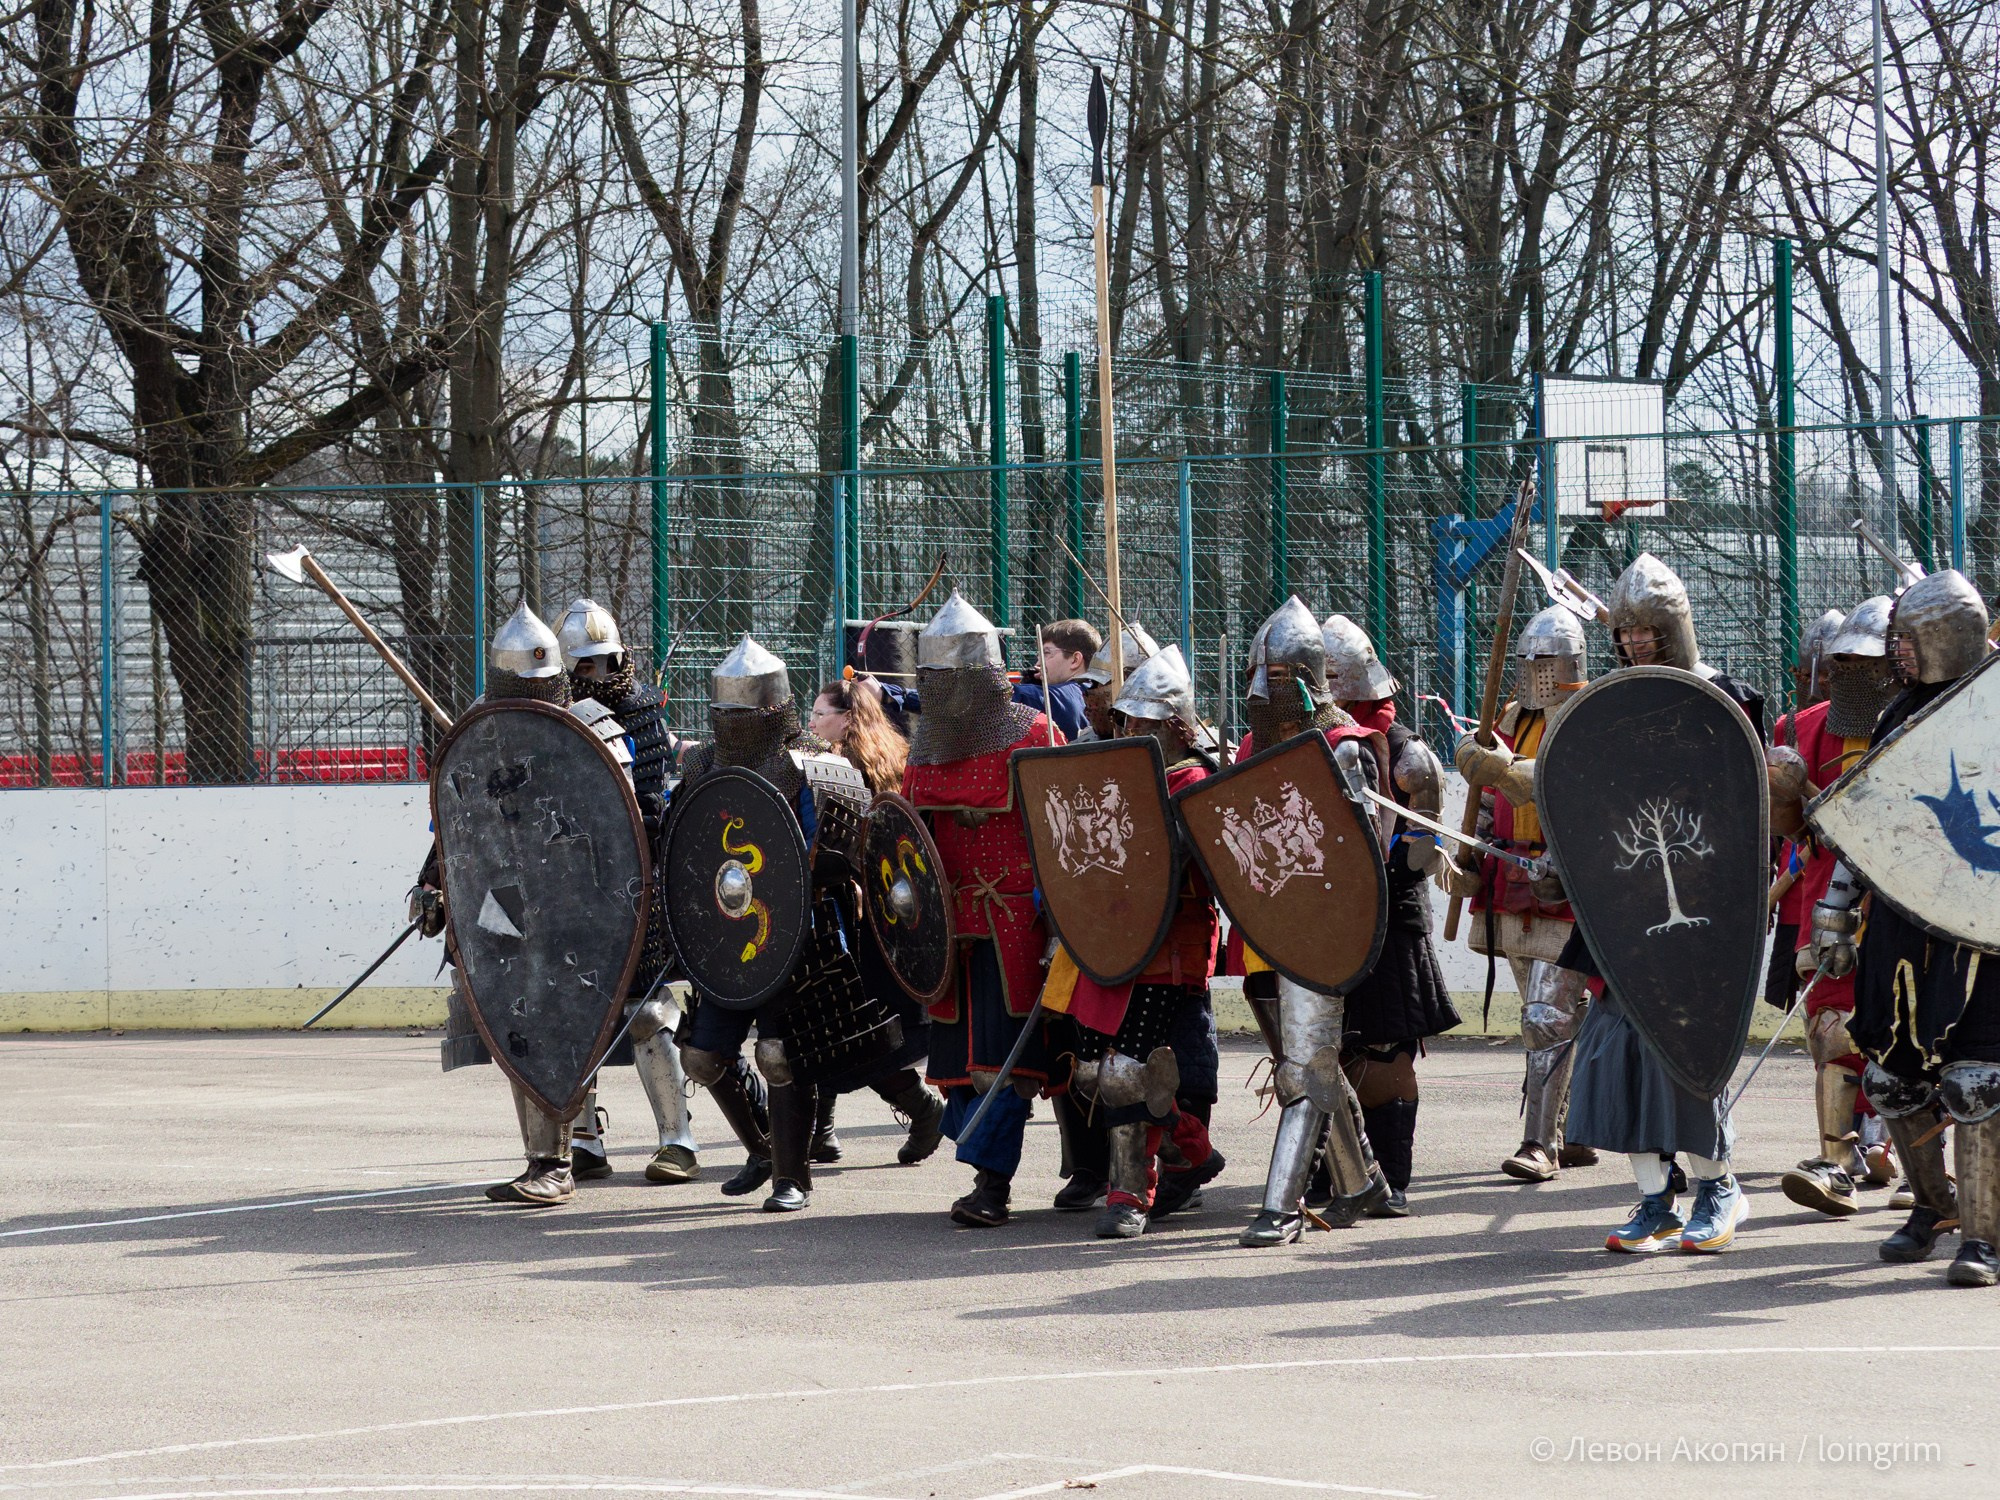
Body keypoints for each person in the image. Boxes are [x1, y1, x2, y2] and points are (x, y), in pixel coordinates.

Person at [1554, 554, 1765, 1254]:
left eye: (1650, 630)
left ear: (1676, 627)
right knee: (1614, 1059)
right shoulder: (1603, 710)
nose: (1637, 642)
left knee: (1685, 1055)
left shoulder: (1725, 699)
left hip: (1699, 915)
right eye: (1628, 632)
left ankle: (1720, 1189)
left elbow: (1746, 811)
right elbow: (1591, 807)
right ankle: (1655, 1202)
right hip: (1625, 910)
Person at [418, 601, 651, 1207]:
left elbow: (618, 830)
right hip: (506, 909)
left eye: (536, 686)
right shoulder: (477, 735)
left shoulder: (595, 732)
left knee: (567, 1024)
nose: (529, 695)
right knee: (517, 1022)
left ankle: (566, 1158)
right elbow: (458, 827)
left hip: (581, 908)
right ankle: (547, 1160)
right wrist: (435, 883)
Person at [1812, 570, 1999, 1284]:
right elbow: (1870, 823)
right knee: (1892, 1082)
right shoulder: (1896, 717)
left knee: (1978, 1083)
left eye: (1913, 640)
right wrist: (1832, 912)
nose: (1900, 654)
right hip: (1898, 927)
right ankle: (1933, 1205)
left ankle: (1984, 1238)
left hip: (1979, 936)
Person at [1044, 645, 1227, 1237]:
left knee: (1124, 1071)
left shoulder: (1194, 778)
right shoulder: (1124, 776)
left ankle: (1130, 1196)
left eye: (1142, 722)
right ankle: (1195, 1151)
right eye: (1125, 720)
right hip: (1116, 942)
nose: (1129, 730)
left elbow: (1174, 865)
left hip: (1170, 946)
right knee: (1103, 1072)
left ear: (1173, 725)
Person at [1229, 597, 1394, 1247]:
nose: (1263, 691)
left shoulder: (1345, 748)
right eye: (1258, 675)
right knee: (1314, 1063)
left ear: (1303, 680)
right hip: (1265, 932)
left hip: (1323, 930)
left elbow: (1358, 858)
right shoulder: (1247, 748)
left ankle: (1282, 1208)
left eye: (1275, 676)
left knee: (1302, 1071)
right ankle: (1361, 1183)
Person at [902, 591, 1063, 1227]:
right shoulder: (927, 748)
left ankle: (994, 1186)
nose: (939, 690)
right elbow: (908, 840)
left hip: (1016, 924)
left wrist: (1059, 920)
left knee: (1008, 1060)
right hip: (950, 929)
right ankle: (985, 1163)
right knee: (956, 1068)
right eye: (930, 679)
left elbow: (1063, 833)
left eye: (949, 677)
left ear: (984, 676)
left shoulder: (1035, 732)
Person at [671, 635, 827, 1212]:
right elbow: (685, 847)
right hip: (723, 932)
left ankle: (794, 1177)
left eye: (745, 713)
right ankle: (763, 1150)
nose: (735, 724)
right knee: (703, 1056)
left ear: (773, 709)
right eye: (726, 714)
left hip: (790, 935)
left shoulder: (807, 761)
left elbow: (823, 848)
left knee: (781, 1054)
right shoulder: (702, 765)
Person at [553, 598, 701, 1187]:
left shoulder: (640, 711)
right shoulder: (555, 716)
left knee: (647, 1015)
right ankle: (584, 1140)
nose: (599, 675)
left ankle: (678, 1140)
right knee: (576, 1016)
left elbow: (652, 808)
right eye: (585, 668)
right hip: (573, 889)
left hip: (636, 885)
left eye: (605, 661)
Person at [1449, 606, 1597, 1183]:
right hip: (1512, 876)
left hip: (1570, 881)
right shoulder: (1512, 716)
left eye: (1544, 659)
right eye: (1525, 659)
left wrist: (1505, 768)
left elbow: (1568, 781)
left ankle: (1539, 1143)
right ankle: (1574, 1129)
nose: (1533, 669)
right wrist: (1471, 857)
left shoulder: (1589, 715)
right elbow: (1489, 802)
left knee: (1543, 1017)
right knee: (1561, 1012)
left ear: (1567, 661)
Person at [1322, 615, 1460, 1216]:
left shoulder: (1407, 754)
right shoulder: (1311, 742)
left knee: (1387, 1053)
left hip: (1389, 915)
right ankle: (1341, 1172)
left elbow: (1425, 849)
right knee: (1332, 1050)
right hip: (1323, 918)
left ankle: (1392, 1176)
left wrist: (1389, 862)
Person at [1769, 598, 1901, 1217]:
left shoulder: (1921, 722)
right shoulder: (1805, 728)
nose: (1855, 670)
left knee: (1917, 1040)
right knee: (1832, 1030)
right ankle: (1837, 1161)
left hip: (1905, 905)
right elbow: (1791, 830)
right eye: (1844, 660)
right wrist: (1783, 791)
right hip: (1828, 901)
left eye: (1869, 661)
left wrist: (1812, 794)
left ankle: (1919, 1171)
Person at [797, 678, 948, 1168]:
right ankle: (821, 1130)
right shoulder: (893, 753)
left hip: (862, 917)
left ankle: (922, 1109)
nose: (813, 722)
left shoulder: (844, 769)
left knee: (851, 1028)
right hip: (862, 913)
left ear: (846, 718)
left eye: (821, 714)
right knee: (823, 1018)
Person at [1069, 622, 1161, 744]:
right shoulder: (1085, 740)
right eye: (1094, 683)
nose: (1089, 693)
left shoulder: (1167, 743)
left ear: (1129, 683)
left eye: (1101, 682)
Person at [1012, 619, 1100, 741]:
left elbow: (1010, 695)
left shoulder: (1064, 696)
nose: (1038, 663)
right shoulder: (1092, 689)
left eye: (1046, 653)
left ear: (1075, 660)